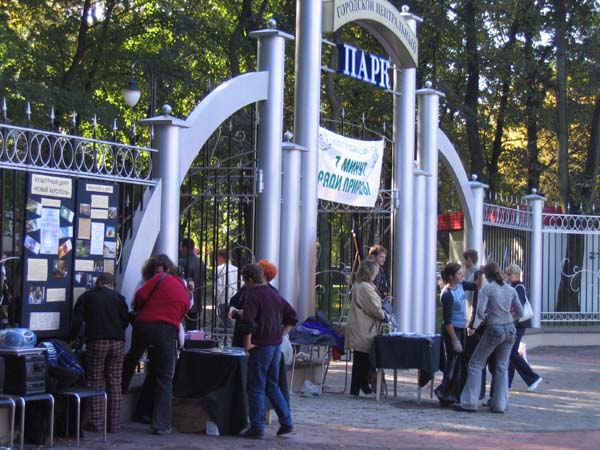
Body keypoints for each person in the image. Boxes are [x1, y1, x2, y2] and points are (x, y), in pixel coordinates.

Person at [122, 254, 190, 435]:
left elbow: (139, 298)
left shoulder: (157, 279)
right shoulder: (180, 286)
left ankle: (116, 394)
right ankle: (162, 424)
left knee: (131, 359)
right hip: (167, 330)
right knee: (164, 376)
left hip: (144, 325)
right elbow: (186, 306)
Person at [454, 262, 523, 413]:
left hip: (494, 329)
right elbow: (520, 312)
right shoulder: (511, 290)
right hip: (510, 330)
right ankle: (500, 404)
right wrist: (509, 319)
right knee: (502, 366)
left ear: (486, 275)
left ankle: (469, 402)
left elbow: (480, 311)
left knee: (475, 363)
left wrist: (488, 318)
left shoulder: (488, 289)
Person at [239, 264, 297, 439]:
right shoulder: (274, 294)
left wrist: (248, 344)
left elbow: (248, 322)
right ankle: (286, 421)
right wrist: (281, 334)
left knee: (255, 387)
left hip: (260, 345)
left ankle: (257, 427)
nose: (245, 284)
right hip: (275, 346)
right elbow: (292, 316)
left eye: (245, 281)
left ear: (250, 280)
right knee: (272, 385)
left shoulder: (253, 295)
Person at [70, 272, 129, 433]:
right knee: (115, 382)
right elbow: (125, 319)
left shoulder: (87, 297)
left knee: (95, 380)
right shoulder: (119, 298)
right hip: (117, 341)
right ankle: (114, 424)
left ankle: (96, 422)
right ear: (112, 284)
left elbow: (77, 321)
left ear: (98, 282)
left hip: (96, 341)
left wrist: (72, 338)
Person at [346, 259, 388, 397]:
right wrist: (384, 315)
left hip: (362, 327)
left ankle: (360, 386)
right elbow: (373, 307)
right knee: (361, 360)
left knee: (361, 359)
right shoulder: (364, 287)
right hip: (363, 328)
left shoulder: (362, 285)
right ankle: (357, 388)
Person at [505, 264, 543, 392]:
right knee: (511, 352)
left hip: (518, 324)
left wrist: (512, 320)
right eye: (507, 274)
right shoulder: (513, 287)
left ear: (515, 274)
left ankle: (532, 378)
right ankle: (507, 382)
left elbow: (518, 306)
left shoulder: (518, 287)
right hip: (517, 324)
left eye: (509, 274)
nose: (508, 277)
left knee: (512, 352)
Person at [178, 238, 206, 323]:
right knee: (193, 326)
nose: (180, 249)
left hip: (184, 298)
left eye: (181, 246)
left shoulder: (181, 262)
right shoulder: (201, 262)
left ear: (185, 247)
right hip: (197, 298)